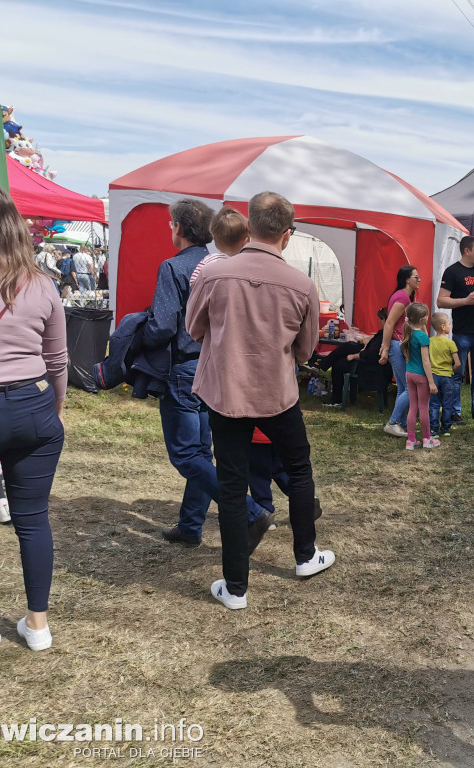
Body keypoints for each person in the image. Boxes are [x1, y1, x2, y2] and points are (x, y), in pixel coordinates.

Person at [187, 190, 333, 609]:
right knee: (299, 470)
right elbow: (306, 351)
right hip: (277, 394)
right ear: (287, 235)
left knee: (232, 487)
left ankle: (236, 588)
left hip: (225, 391)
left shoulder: (213, 275)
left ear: (248, 226)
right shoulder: (302, 285)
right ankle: (305, 555)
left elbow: (194, 329)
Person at [0, 181, 66, 651]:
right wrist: (54, 408)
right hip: (35, 405)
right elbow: (58, 359)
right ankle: (37, 625)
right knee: (33, 518)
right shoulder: (41, 280)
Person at [144, 199, 273, 549]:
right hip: (216, 367)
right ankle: (190, 526)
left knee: (186, 455)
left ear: (179, 228)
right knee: (202, 453)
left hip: (185, 369)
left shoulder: (174, 268)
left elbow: (162, 326)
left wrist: (136, 330)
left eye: (171, 223)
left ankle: (250, 511)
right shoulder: (224, 263)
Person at [438, 235, 474, 424]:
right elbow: (441, 300)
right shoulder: (452, 272)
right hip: (462, 333)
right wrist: (465, 301)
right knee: (457, 374)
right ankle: (455, 412)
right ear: (467, 251)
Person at [378, 265, 421, 437]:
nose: (419, 280)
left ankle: (402, 423)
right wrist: (385, 348)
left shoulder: (404, 296)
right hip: (396, 345)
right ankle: (393, 422)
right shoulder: (402, 297)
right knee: (411, 388)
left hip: (398, 345)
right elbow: (389, 323)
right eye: (416, 277)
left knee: (404, 387)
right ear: (407, 279)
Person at [401, 302, 439, 450]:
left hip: (409, 373)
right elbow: (426, 361)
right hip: (421, 376)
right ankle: (427, 438)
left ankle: (410, 440)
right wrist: (431, 382)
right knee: (424, 408)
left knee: (413, 407)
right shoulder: (423, 337)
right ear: (423, 319)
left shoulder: (408, 333)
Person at [428, 312, 460, 437]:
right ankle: (445, 428)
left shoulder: (430, 341)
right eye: (449, 324)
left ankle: (433, 429)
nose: (450, 326)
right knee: (447, 403)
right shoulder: (450, 343)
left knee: (434, 404)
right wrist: (451, 370)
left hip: (434, 376)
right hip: (447, 377)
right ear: (442, 326)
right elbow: (457, 363)